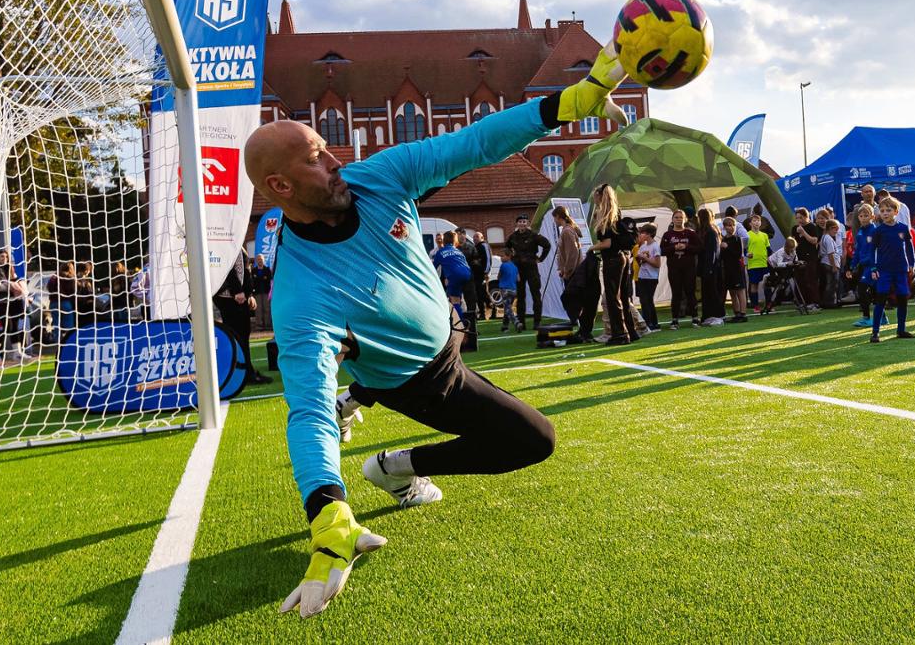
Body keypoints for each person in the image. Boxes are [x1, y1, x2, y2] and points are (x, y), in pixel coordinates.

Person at [244, 42, 628, 616]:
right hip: (423, 381)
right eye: (316, 159)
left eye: (327, 149)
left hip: (445, 330)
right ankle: (395, 466)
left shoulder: (377, 178)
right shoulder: (301, 297)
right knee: (532, 441)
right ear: (279, 188)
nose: (335, 162)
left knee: (387, 360)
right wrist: (327, 510)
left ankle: (361, 392)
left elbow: (472, 144)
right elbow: (306, 410)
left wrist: (569, 103)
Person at [587, 185, 644, 345]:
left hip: (612, 260)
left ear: (599, 196)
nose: (594, 199)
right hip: (623, 257)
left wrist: (591, 247)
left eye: (595, 196)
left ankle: (619, 334)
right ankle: (631, 332)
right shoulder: (616, 213)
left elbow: (607, 243)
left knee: (613, 298)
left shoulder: (604, 216)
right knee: (624, 297)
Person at [215, 249, 271, 385]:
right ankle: (242, 375)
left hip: (238, 296)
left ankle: (246, 371)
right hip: (231, 297)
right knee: (238, 335)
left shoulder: (235, 241)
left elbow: (244, 270)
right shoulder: (226, 241)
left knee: (242, 335)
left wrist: (249, 294)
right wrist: (238, 291)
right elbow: (227, 267)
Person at [864, 199, 915, 342]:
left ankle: (901, 330)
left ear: (896, 212)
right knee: (880, 299)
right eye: (882, 211)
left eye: (888, 210)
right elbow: (872, 251)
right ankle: (875, 332)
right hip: (884, 270)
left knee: (902, 299)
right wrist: (873, 268)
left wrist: (912, 263)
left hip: (901, 270)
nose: (885, 213)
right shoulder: (878, 231)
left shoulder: (903, 228)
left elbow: (910, 247)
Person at [505, 215, 551, 331]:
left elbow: (547, 245)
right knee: (520, 296)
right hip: (518, 269)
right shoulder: (513, 236)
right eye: (520, 221)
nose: (522, 224)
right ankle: (521, 322)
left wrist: (541, 258)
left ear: (528, 223)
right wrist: (511, 257)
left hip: (531, 267)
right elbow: (507, 248)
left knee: (536, 295)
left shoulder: (534, 235)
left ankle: (537, 321)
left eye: (524, 222)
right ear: (517, 224)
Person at [660, 210, 700, 329]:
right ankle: (674, 320)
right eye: (676, 217)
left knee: (690, 292)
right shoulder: (668, 235)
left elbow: (699, 248)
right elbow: (662, 251)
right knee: (676, 293)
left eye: (681, 217)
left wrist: (686, 247)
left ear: (685, 219)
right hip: (674, 268)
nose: (678, 219)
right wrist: (674, 247)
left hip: (689, 268)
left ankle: (695, 318)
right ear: (672, 219)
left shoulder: (690, 233)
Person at [431, 232, 473, 341]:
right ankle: (467, 322)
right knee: (462, 301)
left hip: (455, 275)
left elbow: (433, 268)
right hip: (467, 273)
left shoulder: (440, 252)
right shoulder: (458, 251)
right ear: (455, 241)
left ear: (444, 240)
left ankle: (462, 330)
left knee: (454, 301)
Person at [848, 203, 878, 326]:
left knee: (863, 290)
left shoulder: (874, 231)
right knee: (875, 292)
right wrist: (852, 266)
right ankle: (882, 317)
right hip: (864, 266)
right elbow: (858, 250)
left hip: (873, 267)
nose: (863, 218)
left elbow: (876, 251)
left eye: (866, 215)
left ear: (872, 216)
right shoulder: (860, 232)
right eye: (861, 216)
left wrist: (874, 267)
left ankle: (866, 317)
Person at [696, 208, 726, 326]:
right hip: (707, 267)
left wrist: (708, 268)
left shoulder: (711, 232)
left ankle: (718, 316)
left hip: (712, 268)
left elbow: (712, 252)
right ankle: (707, 316)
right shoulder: (704, 231)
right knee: (706, 293)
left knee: (713, 292)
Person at [791, 207, 824, 313]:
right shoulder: (794, 228)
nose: (799, 220)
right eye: (797, 218)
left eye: (801, 217)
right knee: (800, 280)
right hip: (799, 258)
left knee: (810, 280)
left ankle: (814, 302)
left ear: (806, 217)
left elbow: (814, 241)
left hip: (810, 257)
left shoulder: (812, 227)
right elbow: (793, 242)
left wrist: (803, 233)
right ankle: (802, 302)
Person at [631, 224, 662, 331]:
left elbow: (657, 264)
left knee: (648, 300)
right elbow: (640, 261)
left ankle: (651, 323)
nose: (640, 235)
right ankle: (650, 323)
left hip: (651, 277)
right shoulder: (643, 246)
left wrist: (645, 258)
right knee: (644, 301)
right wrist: (640, 259)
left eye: (642, 233)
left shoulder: (655, 246)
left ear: (649, 234)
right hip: (642, 276)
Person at [721, 215, 750, 322]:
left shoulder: (737, 239)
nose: (731, 227)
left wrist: (727, 247)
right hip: (728, 269)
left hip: (737, 268)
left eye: (733, 225)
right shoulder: (723, 239)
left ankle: (743, 313)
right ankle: (736, 313)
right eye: (728, 225)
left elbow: (738, 254)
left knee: (740, 291)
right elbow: (723, 256)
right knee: (732, 291)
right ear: (724, 227)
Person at [461, 228, 491, 322]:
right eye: (474, 237)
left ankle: (490, 310)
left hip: (481, 275)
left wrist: (486, 273)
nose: (474, 238)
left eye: (477, 237)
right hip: (475, 274)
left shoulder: (483, 245)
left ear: (482, 237)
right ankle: (483, 312)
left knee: (482, 294)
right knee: (479, 294)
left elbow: (488, 260)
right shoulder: (475, 247)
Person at [745, 214, 771, 311]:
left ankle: (769, 305)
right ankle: (755, 306)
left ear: (760, 223)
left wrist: (771, 258)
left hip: (764, 264)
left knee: (767, 284)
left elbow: (768, 249)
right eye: (754, 221)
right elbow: (743, 250)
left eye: (758, 221)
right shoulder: (747, 235)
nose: (757, 222)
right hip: (753, 265)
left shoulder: (765, 235)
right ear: (750, 223)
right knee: (754, 285)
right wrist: (747, 254)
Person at [554, 205, 583, 283]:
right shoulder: (567, 229)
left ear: (557, 216)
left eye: (554, 218)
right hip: (571, 273)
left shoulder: (567, 231)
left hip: (572, 274)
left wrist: (567, 272)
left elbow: (572, 254)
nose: (554, 221)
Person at [819, 219, 844, 308]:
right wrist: (834, 266)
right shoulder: (828, 238)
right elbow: (830, 253)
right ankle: (829, 303)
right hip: (829, 264)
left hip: (827, 263)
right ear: (830, 228)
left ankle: (829, 301)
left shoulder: (825, 237)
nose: (836, 231)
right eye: (835, 229)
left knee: (831, 283)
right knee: (832, 284)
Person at [495, 256, 519, 331]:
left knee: (508, 309)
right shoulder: (515, 266)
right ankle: (505, 327)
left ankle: (516, 322)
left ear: (508, 256)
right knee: (507, 308)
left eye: (502, 256)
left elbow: (498, 277)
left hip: (505, 289)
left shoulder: (503, 265)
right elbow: (518, 279)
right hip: (513, 290)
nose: (501, 258)